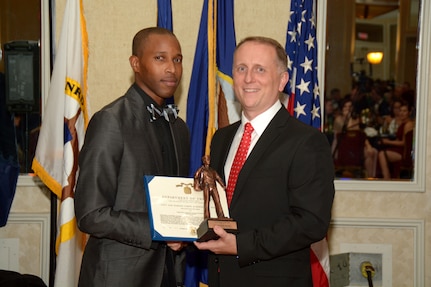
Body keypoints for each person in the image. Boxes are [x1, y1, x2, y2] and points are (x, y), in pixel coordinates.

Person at [194, 36, 335, 286]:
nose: (249, 78)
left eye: (260, 69)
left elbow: (312, 222)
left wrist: (241, 245)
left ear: (282, 80)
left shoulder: (307, 142)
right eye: (241, 69)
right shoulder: (221, 138)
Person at [74, 27, 190, 287]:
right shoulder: (111, 121)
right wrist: (160, 230)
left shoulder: (178, 128)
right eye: (160, 58)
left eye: (177, 59)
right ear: (135, 63)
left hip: (171, 274)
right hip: (117, 278)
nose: (171, 68)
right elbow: (90, 214)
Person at [377, 101, 414, 179]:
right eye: (400, 111)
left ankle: (387, 179)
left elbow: (404, 143)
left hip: (405, 153)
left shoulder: (408, 125)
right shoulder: (403, 123)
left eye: (404, 111)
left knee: (382, 154)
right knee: (381, 149)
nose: (401, 113)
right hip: (399, 149)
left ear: (409, 113)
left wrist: (387, 141)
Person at [193, 155, 226, 219]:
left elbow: (218, 178)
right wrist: (200, 169)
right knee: (206, 202)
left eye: (209, 159)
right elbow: (196, 176)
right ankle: (207, 217)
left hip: (213, 187)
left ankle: (221, 216)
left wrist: (222, 185)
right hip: (206, 186)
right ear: (204, 161)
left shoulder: (212, 170)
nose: (208, 161)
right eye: (206, 160)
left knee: (217, 201)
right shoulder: (202, 170)